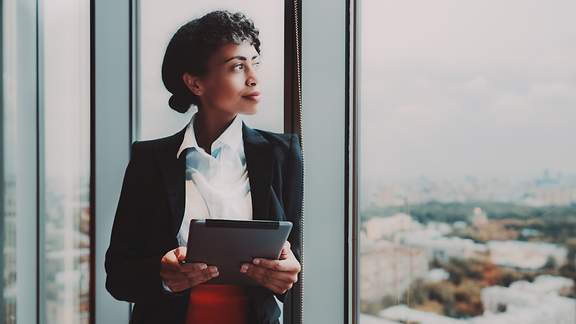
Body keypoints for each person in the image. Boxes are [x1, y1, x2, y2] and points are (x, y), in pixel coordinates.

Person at [104, 10, 303, 324]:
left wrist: (288, 272)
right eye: (238, 66)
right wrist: (164, 274)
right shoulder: (149, 160)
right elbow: (118, 276)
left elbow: (293, 259)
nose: (254, 77)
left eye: (255, 62)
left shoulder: (282, 154)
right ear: (195, 83)